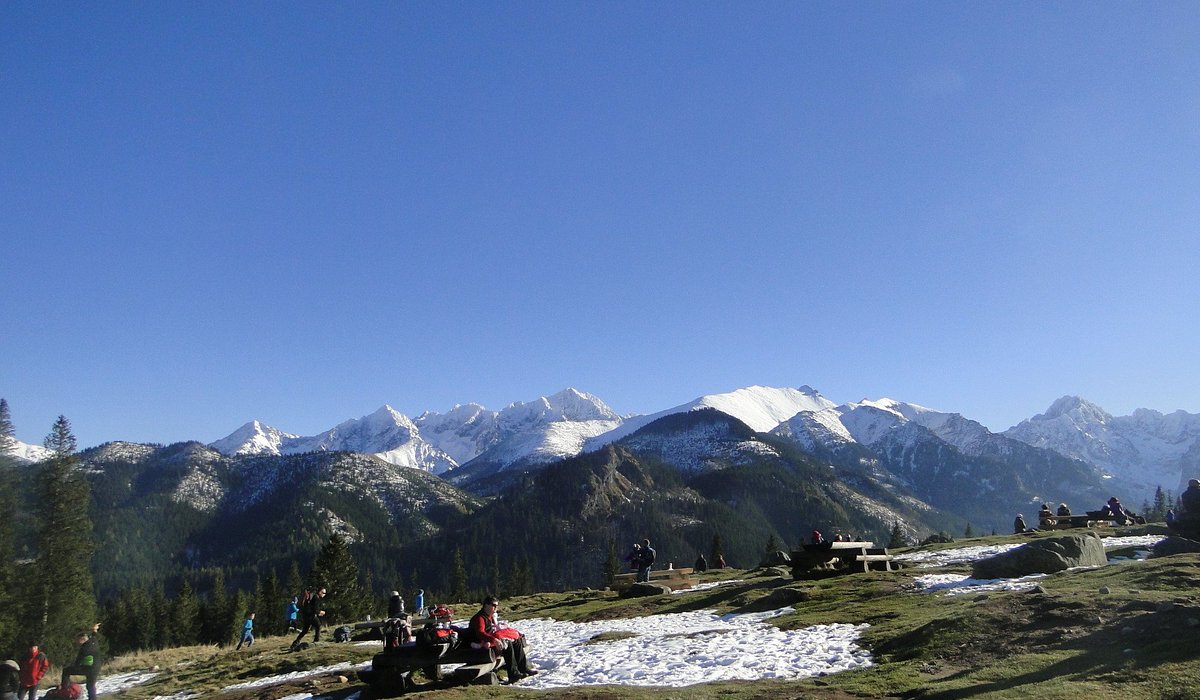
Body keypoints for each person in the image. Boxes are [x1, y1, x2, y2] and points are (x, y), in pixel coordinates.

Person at [466, 596, 535, 683]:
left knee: (516, 641)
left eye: (497, 606)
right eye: (493, 605)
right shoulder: (480, 618)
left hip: (488, 643)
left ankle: (523, 668)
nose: (496, 608)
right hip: (480, 647)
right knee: (507, 644)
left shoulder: (489, 616)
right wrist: (494, 640)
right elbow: (480, 633)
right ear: (486, 605)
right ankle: (513, 674)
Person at [60, 631, 101, 700]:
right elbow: (94, 636)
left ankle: (65, 690)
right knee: (90, 685)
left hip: (88, 668)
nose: (76, 642)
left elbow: (78, 661)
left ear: (82, 639)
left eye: (77, 640)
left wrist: (73, 667)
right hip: (96, 668)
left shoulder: (84, 648)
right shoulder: (93, 642)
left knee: (66, 671)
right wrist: (94, 630)